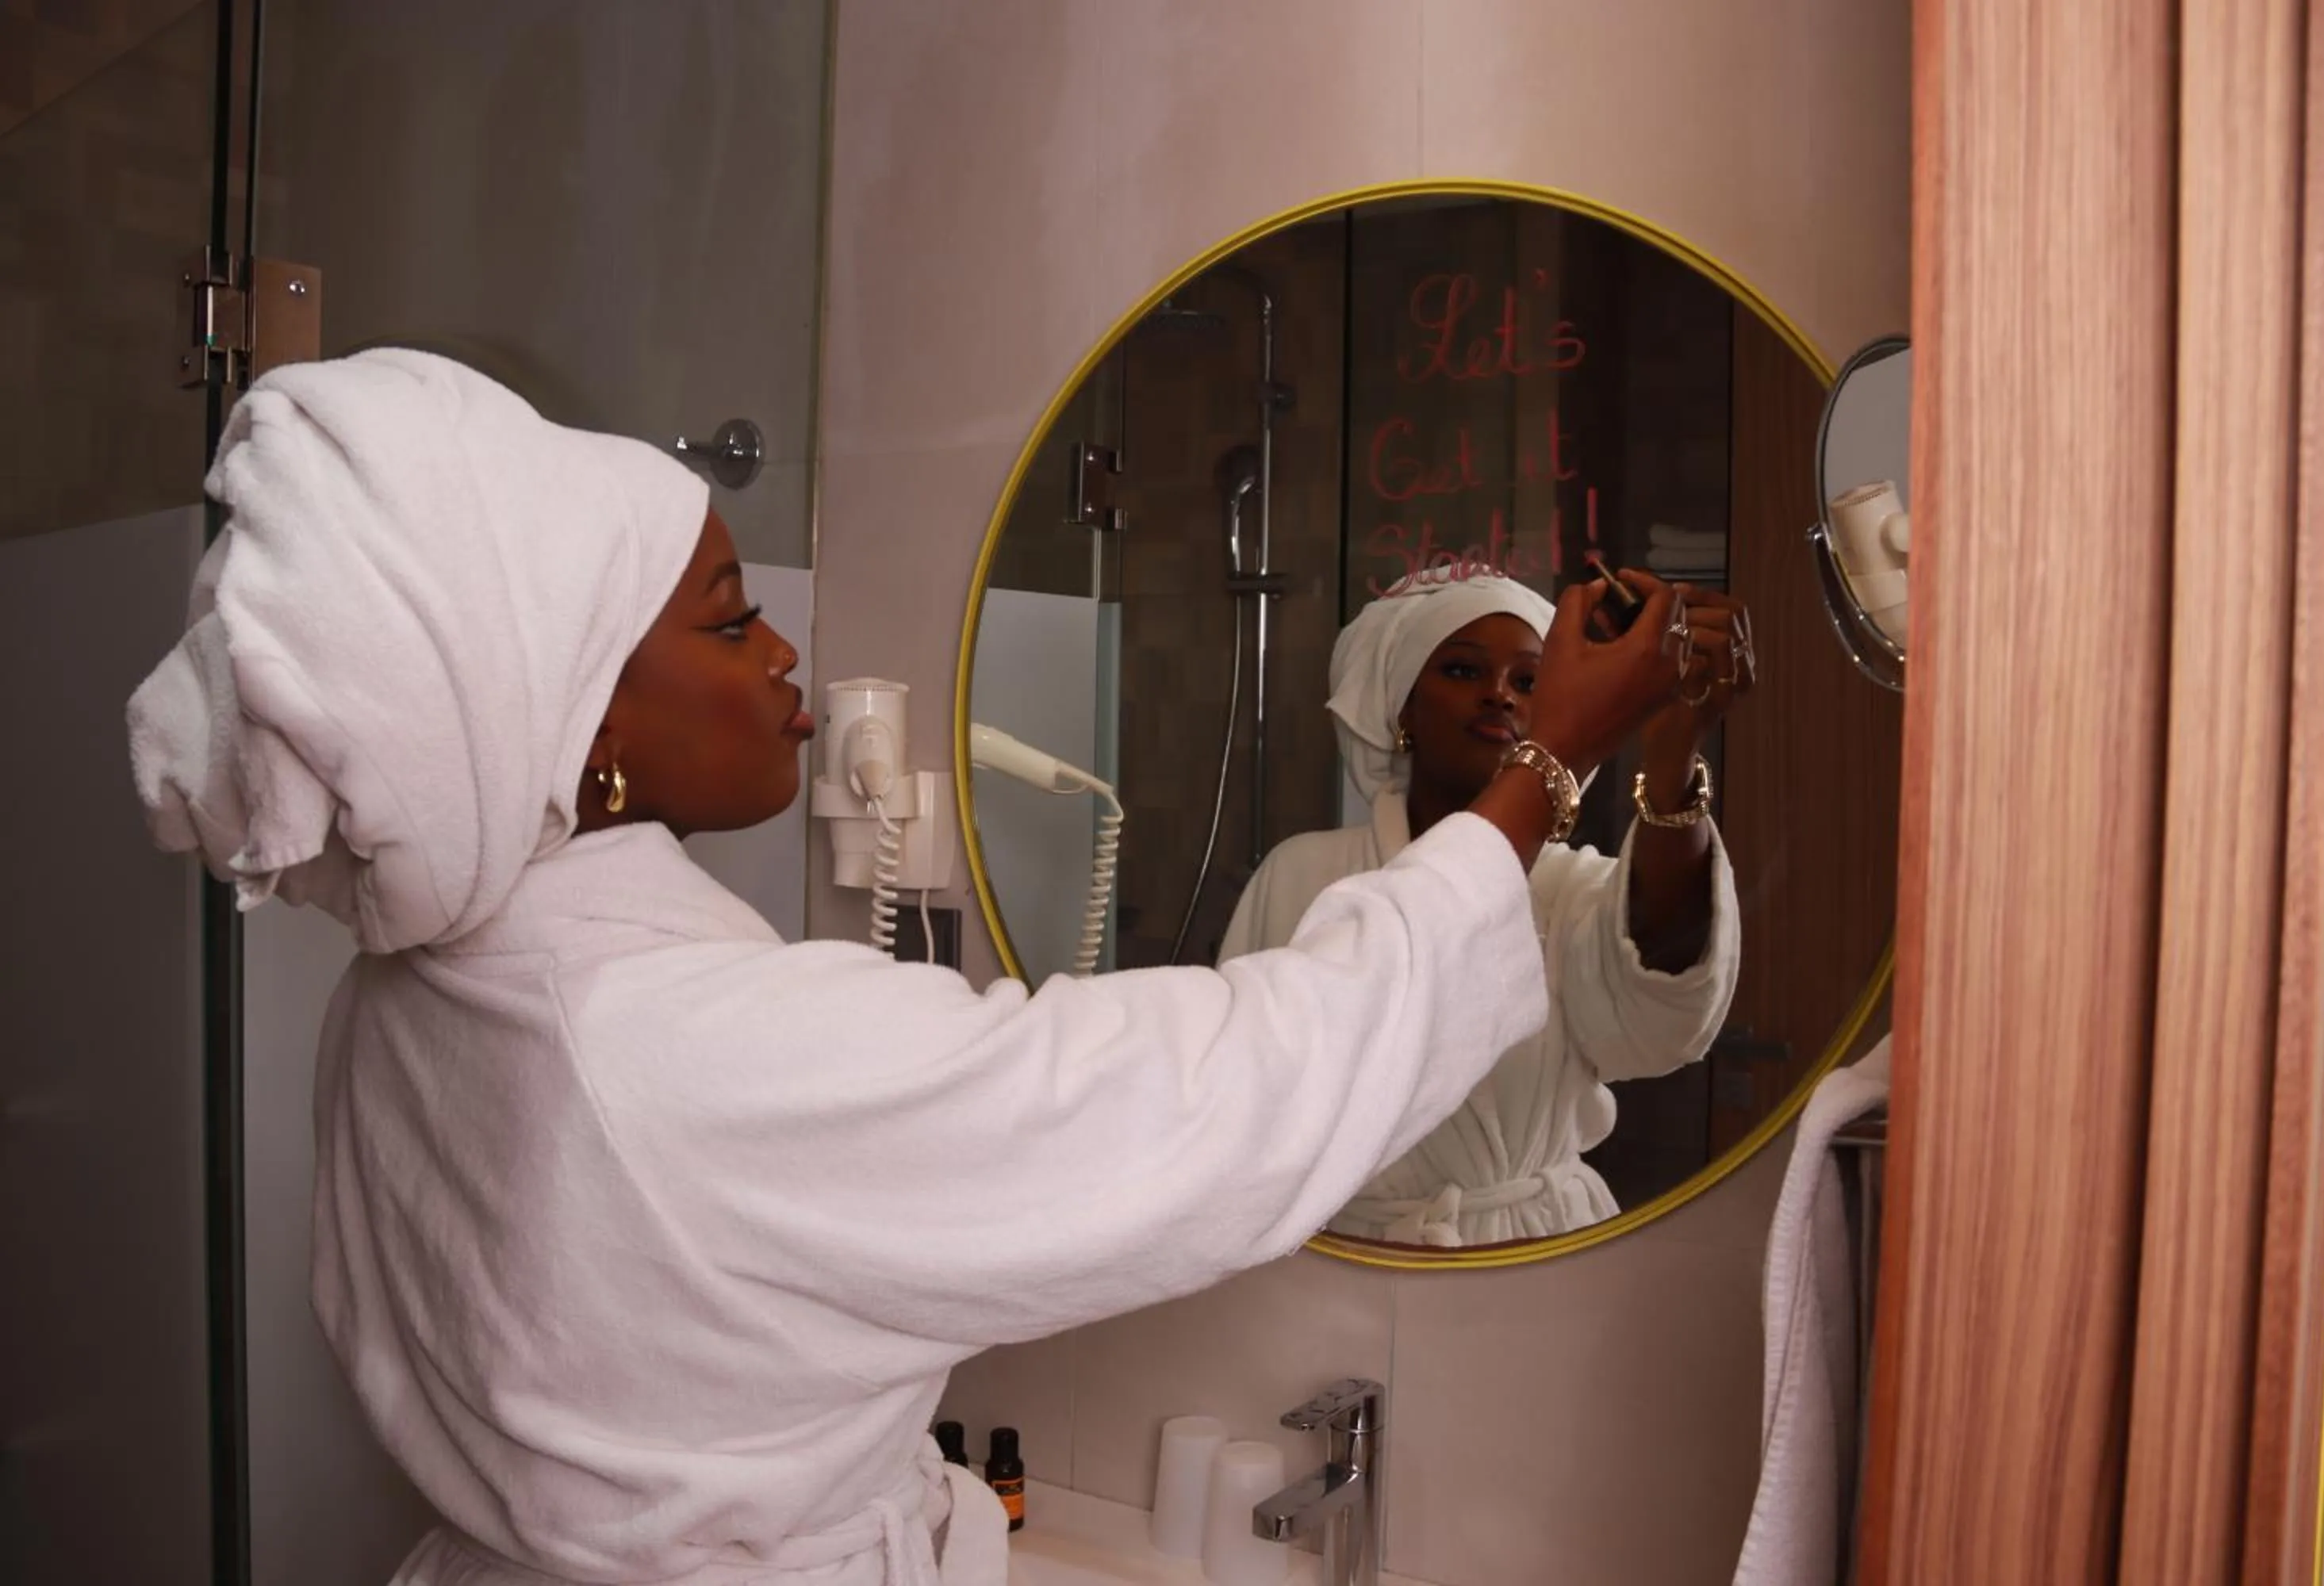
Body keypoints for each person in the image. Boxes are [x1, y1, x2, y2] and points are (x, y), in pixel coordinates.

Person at [123, 351, 1717, 1586]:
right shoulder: (674, 1044)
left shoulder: (402, 1001)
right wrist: (1549, 765)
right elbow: (1224, 1093)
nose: (785, 656)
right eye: (732, 618)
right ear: (577, 712)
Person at [1220, 572, 1750, 1247]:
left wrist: (1674, 753)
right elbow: (1246, 1091)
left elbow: (1657, 1011)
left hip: (1535, 1251)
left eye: (1530, 683)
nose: (1499, 693)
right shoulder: (1303, 874)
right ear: (1402, 711)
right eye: (1464, 669)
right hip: (1344, 1248)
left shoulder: (1572, 890)